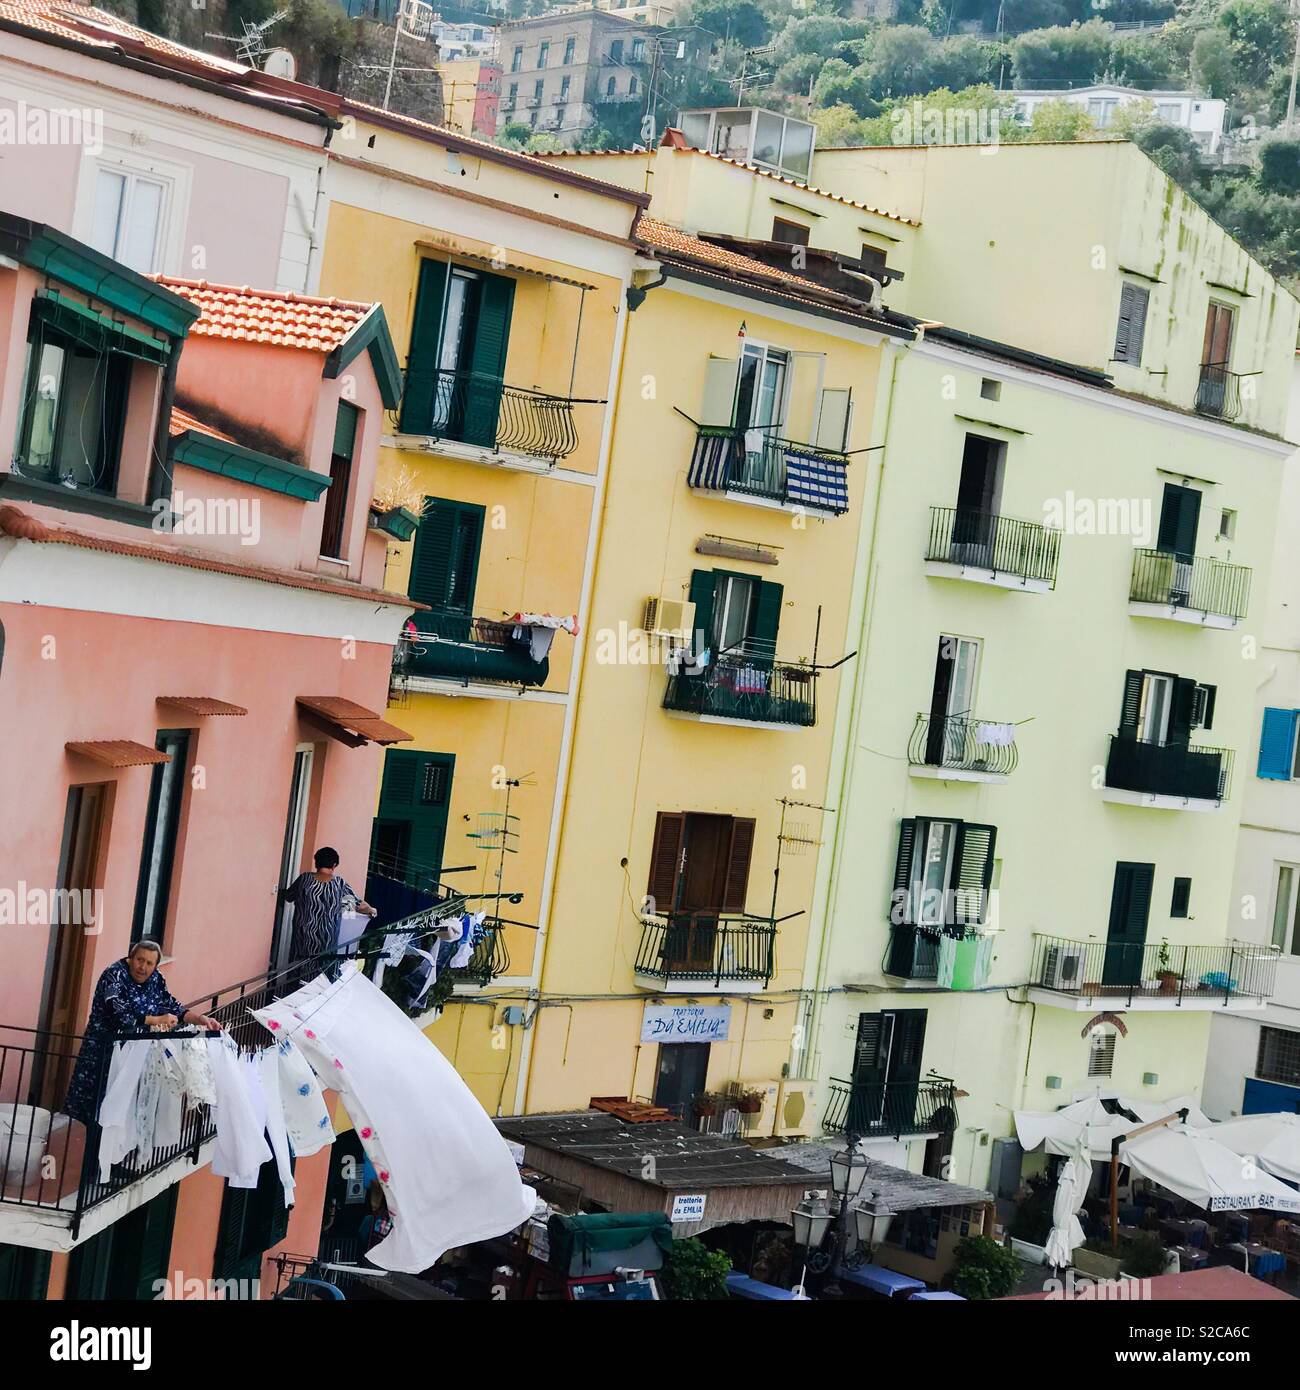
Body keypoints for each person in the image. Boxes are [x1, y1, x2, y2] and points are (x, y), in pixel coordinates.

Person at [63, 938, 219, 1126]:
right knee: (96, 1107)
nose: (142, 967)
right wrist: (157, 1020)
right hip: (103, 1049)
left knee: (125, 1108)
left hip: (134, 1053)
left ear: (155, 966)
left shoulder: (156, 978)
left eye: (149, 963)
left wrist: (199, 1019)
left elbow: (169, 1004)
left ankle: (111, 1152)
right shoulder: (114, 975)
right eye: (139, 960)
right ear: (131, 958)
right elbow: (119, 1014)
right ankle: (91, 1150)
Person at [280, 847, 377, 971]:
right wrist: (371, 910)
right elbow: (358, 906)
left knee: (298, 979)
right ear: (334, 865)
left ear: (316, 862)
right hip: (326, 948)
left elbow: (288, 897)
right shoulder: (339, 885)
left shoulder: (304, 879)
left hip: (301, 946)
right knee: (321, 982)